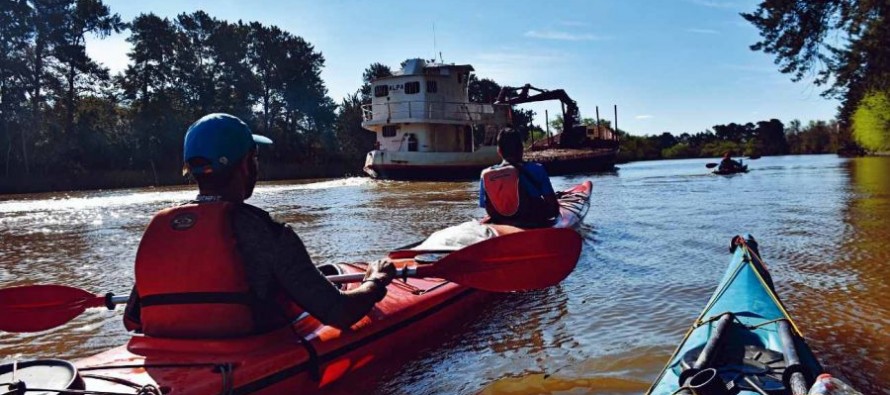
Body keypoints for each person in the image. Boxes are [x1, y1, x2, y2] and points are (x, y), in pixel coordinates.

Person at [123, 113, 395, 338]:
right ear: (246, 165)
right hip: (244, 361)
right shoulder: (267, 233)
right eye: (254, 158)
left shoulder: (162, 228)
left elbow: (133, 319)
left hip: (168, 360)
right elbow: (340, 314)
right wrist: (375, 281)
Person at [479, 128, 560, 228]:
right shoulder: (537, 169)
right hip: (532, 223)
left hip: (501, 225)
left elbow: (485, 206)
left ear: (499, 151)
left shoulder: (486, 175)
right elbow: (553, 208)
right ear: (522, 148)